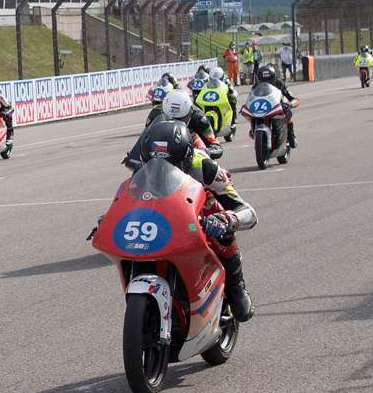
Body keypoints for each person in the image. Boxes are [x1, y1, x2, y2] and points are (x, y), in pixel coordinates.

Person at [123, 120, 257, 321]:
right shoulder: (144, 171)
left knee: (218, 216)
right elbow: (128, 202)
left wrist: (229, 219)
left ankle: (236, 287)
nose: (160, 169)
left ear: (186, 157)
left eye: (170, 164)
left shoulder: (205, 167)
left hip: (199, 215)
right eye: (153, 163)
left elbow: (247, 211)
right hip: (162, 218)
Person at [154, 90, 223, 159]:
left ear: (189, 112)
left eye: (180, 119)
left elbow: (215, 144)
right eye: (171, 118)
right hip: (162, 149)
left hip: (191, 152)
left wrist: (208, 151)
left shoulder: (199, 118)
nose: (175, 122)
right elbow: (146, 136)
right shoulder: (155, 113)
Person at [253, 64, 298, 148]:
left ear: (273, 78)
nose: (266, 83)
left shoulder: (279, 83)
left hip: (277, 107)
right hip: (263, 108)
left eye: (269, 80)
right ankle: (253, 130)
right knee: (252, 115)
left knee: (287, 112)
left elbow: (292, 97)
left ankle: (291, 135)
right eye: (263, 81)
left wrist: (289, 104)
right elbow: (252, 97)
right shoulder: (255, 86)